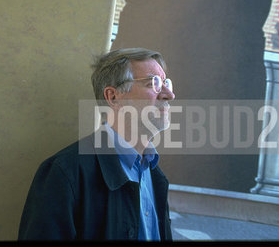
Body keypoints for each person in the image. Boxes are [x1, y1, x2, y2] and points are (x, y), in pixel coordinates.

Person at [18, 47, 175, 240]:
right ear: (113, 97)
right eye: (154, 83)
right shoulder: (64, 173)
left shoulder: (155, 175)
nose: (169, 94)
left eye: (166, 82)